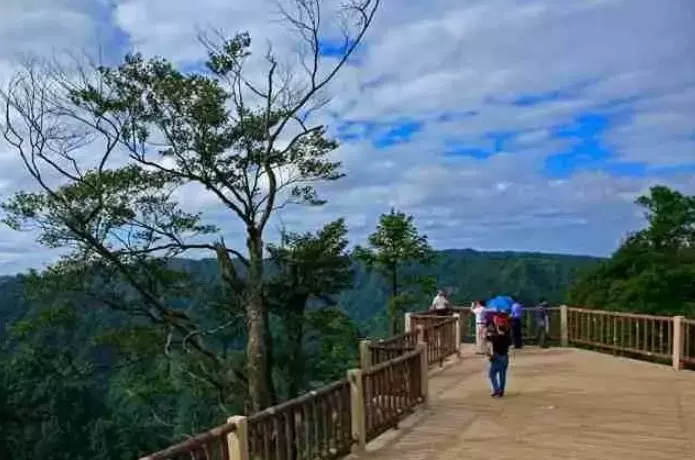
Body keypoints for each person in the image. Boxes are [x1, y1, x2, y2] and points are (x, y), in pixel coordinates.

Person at [486, 315, 512, 397]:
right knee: (502, 375)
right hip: (505, 356)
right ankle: (501, 391)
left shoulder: (495, 337)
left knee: (492, 374)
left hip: (497, 357)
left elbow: (487, 338)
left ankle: (496, 389)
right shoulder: (507, 337)